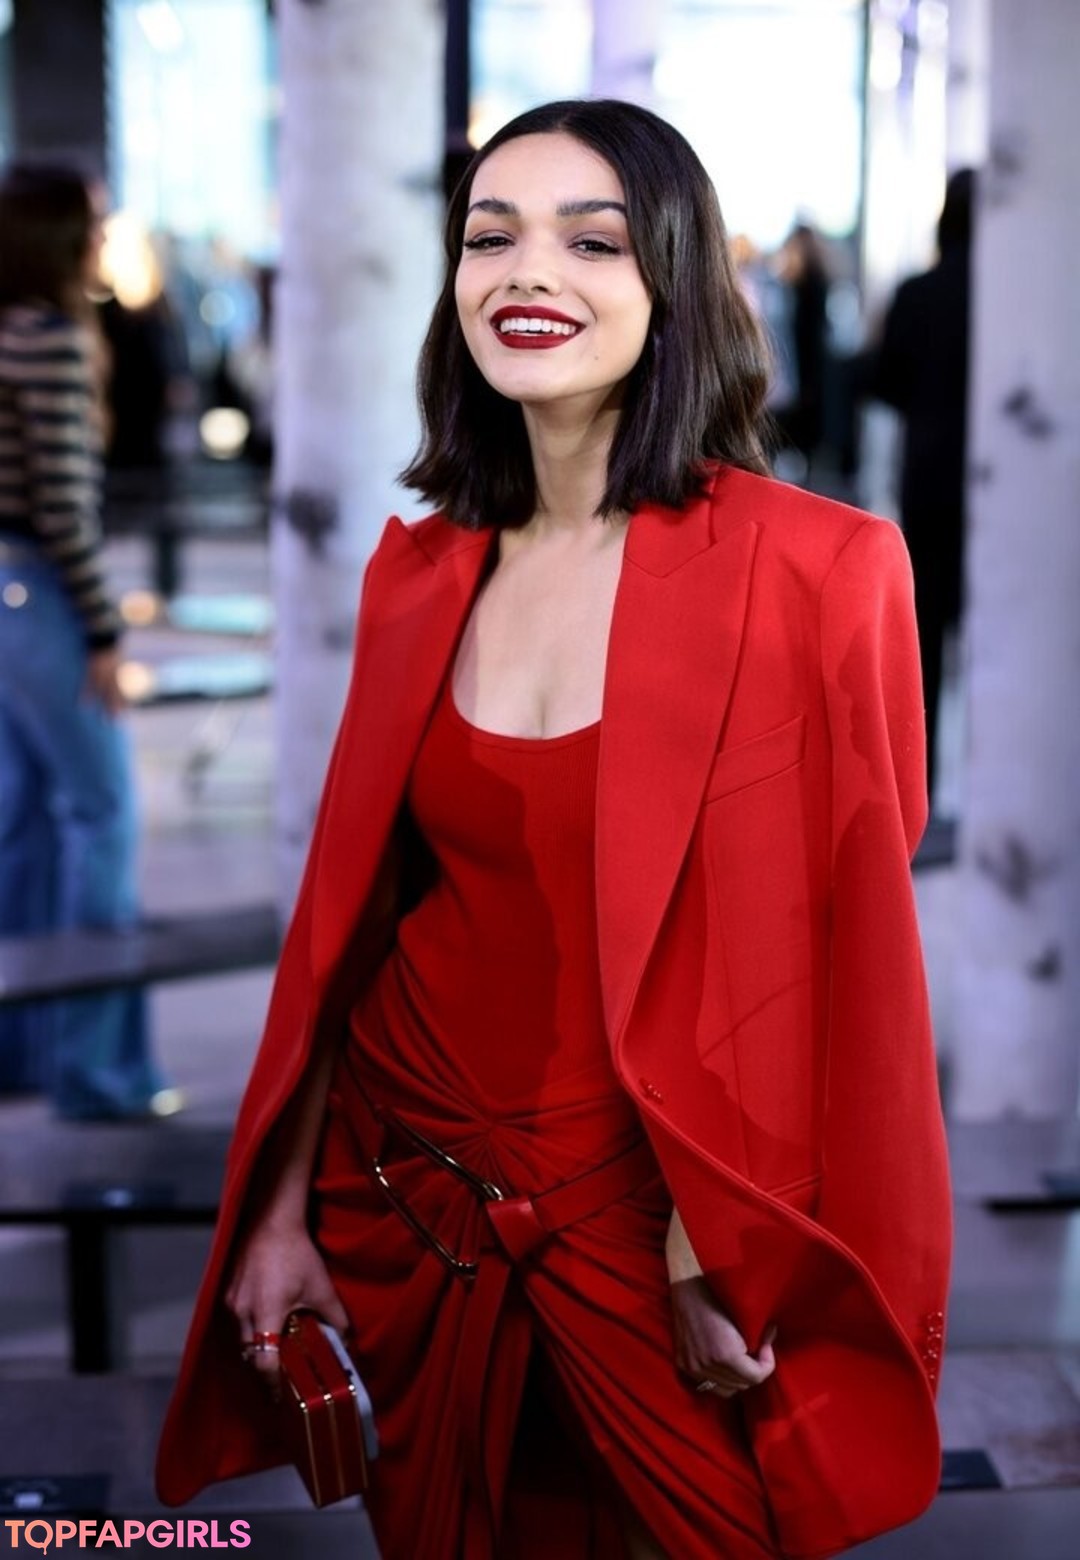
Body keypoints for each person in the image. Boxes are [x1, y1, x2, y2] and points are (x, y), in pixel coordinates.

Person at [156, 102, 951, 1558]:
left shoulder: (825, 568)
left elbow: (841, 951)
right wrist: (277, 1214)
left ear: (675, 279)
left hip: (656, 1207)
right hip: (405, 1187)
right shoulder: (421, 570)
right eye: (490, 237)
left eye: (592, 241)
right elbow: (348, 929)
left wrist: (722, 1232)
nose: (528, 272)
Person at [0, 163, 174, 1119]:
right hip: (37, 593)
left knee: (25, 823)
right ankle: (98, 1075)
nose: (106, 237)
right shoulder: (51, 341)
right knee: (103, 816)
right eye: (95, 222)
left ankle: (22, 1054)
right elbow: (65, 506)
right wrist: (105, 630)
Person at [867, 169, 976, 800]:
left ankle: (923, 783)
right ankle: (994, 783)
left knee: (925, 632)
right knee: (999, 637)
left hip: (930, 480)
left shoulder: (917, 293)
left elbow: (886, 386)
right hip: (1001, 493)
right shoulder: (1022, 299)